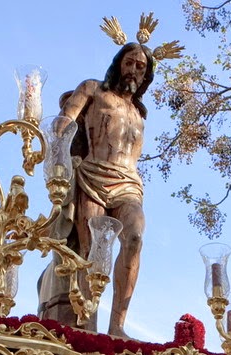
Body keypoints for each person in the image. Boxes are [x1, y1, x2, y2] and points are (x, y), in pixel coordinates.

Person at [44, 42, 153, 338]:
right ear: (118, 63)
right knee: (90, 249)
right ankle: (86, 325)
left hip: (128, 183)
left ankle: (117, 325)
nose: (133, 70)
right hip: (92, 175)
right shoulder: (93, 89)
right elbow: (65, 120)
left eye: (140, 67)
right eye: (129, 62)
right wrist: (59, 147)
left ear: (146, 76)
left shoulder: (139, 112)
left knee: (134, 237)